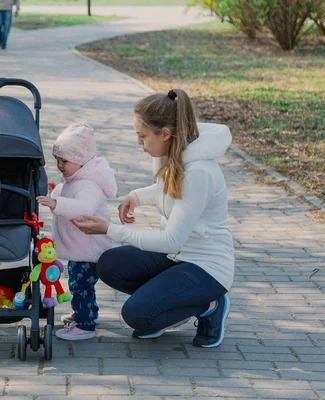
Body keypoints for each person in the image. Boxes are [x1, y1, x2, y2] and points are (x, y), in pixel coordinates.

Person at [72, 89, 235, 348]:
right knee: (109, 263)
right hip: (176, 258)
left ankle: (208, 305)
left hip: (205, 267)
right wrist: (137, 196)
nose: (140, 143)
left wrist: (110, 229)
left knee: (136, 315)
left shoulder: (199, 172)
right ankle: (165, 302)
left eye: (142, 136)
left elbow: (171, 240)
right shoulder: (175, 155)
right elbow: (168, 190)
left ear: (165, 134)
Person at [37, 123, 117, 341]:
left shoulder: (89, 184)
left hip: (88, 249)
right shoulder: (77, 179)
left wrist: (56, 203)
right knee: (84, 284)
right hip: (81, 248)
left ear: (81, 161)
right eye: (58, 161)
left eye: (64, 161)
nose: (60, 166)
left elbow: (84, 208)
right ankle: (88, 312)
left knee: (79, 284)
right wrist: (57, 191)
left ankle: (85, 325)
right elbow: (71, 194)